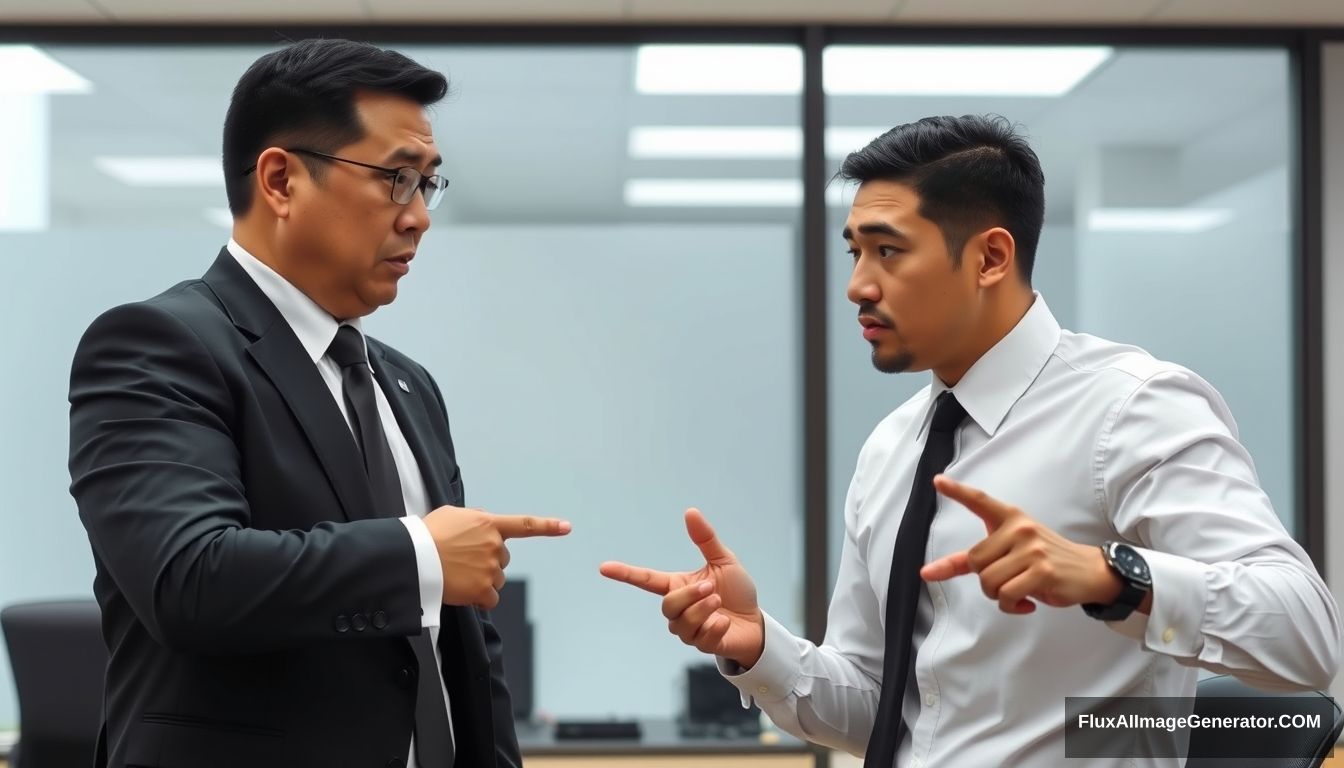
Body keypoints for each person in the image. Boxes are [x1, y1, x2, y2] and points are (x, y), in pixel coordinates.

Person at [601, 114, 1341, 767]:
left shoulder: (1132, 408)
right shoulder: (895, 446)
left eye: (888, 252)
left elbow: (1307, 633)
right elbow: (878, 712)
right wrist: (758, 647)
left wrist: (1117, 577)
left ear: (990, 257)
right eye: (853, 252)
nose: (858, 284)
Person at [67, 39, 568, 768]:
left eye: (429, 183)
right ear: (280, 180)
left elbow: (465, 648)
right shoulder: (157, 344)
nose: (420, 216)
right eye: (397, 178)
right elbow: (188, 580)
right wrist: (420, 553)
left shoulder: (407, 384)